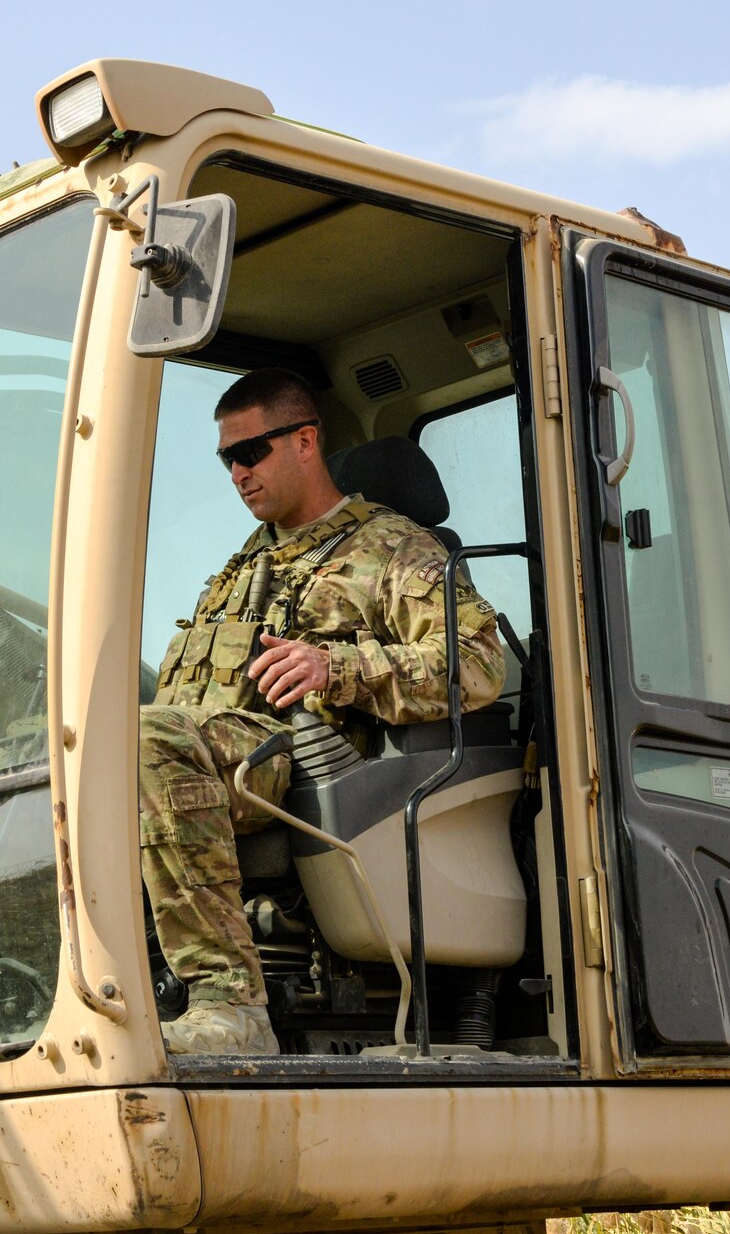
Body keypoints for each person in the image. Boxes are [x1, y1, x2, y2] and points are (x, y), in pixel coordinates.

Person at [141, 367, 505, 1055]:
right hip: (205, 750)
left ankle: (230, 1002)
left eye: (250, 453)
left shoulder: (391, 548)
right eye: (226, 459)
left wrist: (333, 668)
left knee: (148, 741)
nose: (237, 473)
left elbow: (479, 662)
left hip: (299, 762)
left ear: (305, 441)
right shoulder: (242, 566)